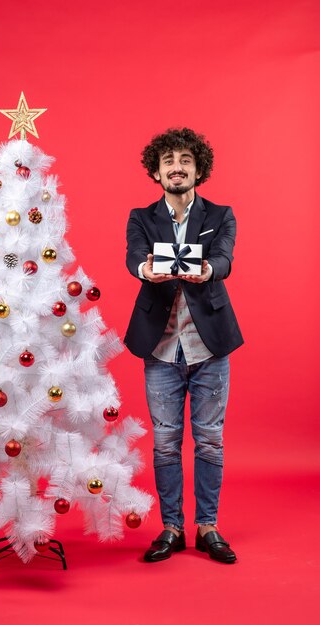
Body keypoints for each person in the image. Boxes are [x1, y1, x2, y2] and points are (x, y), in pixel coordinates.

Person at [124, 127, 243, 564]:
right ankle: (171, 527)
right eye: (169, 161)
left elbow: (226, 258)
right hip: (160, 348)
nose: (177, 168)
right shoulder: (141, 216)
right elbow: (132, 253)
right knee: (165, 443)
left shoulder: (221, 214)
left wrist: (208, 270)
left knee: (210, 441)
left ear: (198, 169)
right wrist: (144, 269)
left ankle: (208, 526)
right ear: (156, 172)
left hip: (209, 346)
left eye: (185, 161)